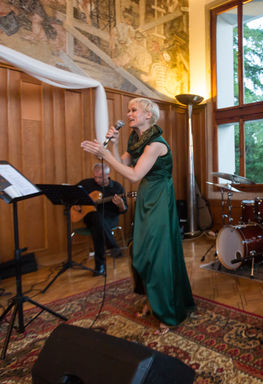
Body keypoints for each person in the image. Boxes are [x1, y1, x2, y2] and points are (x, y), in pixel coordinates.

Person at [81, 97, 195, 332]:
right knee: (140, 250)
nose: (129, 113)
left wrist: (105, 151)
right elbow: (120, 164)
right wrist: (111, 145)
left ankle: (168, 310)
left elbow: (133, 175)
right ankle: (152, 299)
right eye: (129, 110)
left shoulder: (155, 144)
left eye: (134, 110)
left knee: (158, 253)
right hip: (146, 196)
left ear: (148, 116)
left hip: (160, 199)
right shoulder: (136, 139)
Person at [77, 163, 127, 276]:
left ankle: (100, 266)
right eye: (95, 177)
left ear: (108, 175)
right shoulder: (86, 184)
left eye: (100, 177)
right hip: (90, 218)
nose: (97, 180)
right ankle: (113, 246)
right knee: (97, 218)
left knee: (98, 226)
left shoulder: (117, 187)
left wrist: (121, 204)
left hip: (110, 218)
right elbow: (72, 194)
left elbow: (124, 210)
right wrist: (76, 204)